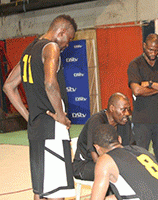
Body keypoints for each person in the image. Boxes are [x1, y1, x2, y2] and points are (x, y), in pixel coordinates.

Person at [3, 15, 77, 200]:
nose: (67, 45)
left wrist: (29, 117)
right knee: (56, 192)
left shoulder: (29, 50)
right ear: (61, 32)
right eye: (68, 39)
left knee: (41, 191)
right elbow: (50, 84)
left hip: (36, 129)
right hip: (52, 129)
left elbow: (8, 85)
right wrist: (60, 116)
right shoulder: (51, 48)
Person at [127, 33, 158, 181]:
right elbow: (137, 90)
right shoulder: (135, 65)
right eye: (150, 50)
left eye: (156, 50)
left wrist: (150, 84)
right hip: (141, 121)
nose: (153, 53)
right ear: (144, 46)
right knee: (141, 161)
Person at [90, 124, 158, 200]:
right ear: (119, 139)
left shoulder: (105, 160)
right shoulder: (141, 150)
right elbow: (144, 189)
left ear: (97, 147)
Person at [73, 92, 133, 181]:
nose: (127, 113)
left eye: (128, 109)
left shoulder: (124, 122)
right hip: (85, 165)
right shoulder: (96, 121)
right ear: (112, 108)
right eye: (123, 109)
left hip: (111, 162)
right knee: (115, 171)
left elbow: (128, 148)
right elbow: (95, 156)